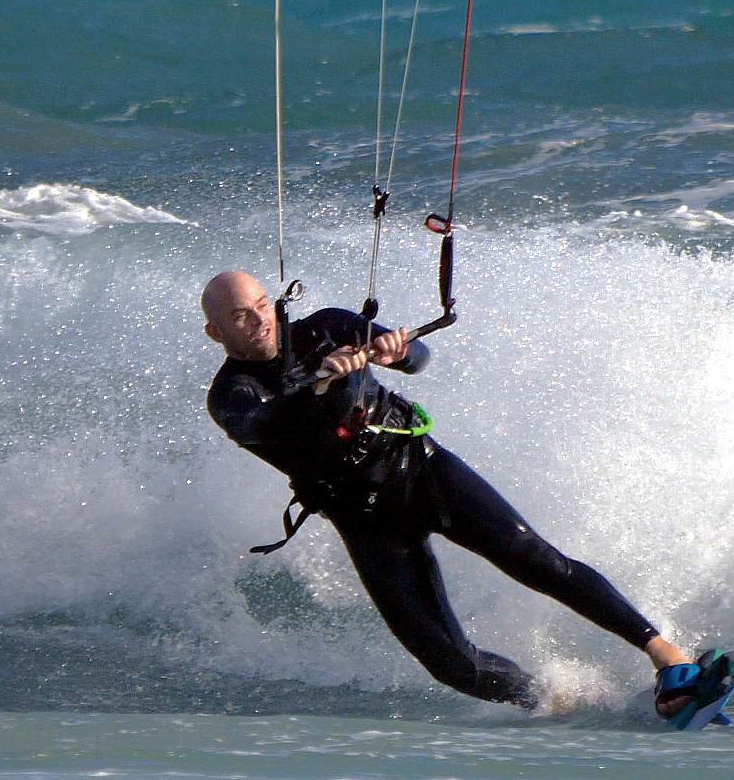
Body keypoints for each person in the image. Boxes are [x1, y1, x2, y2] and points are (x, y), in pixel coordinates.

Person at [201, 269, 699, 711]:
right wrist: (321, 386)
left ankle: (665, 655)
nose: (259, 320)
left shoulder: (328, 328)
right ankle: (551, 701)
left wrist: (398, 353)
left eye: (262, 305)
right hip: (365, 516)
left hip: (421, 469)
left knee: (534, 558)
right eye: (240, 317)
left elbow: (419, 356)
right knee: (450, 664)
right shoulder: (232, 397)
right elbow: (298, 436)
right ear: (215, 332)